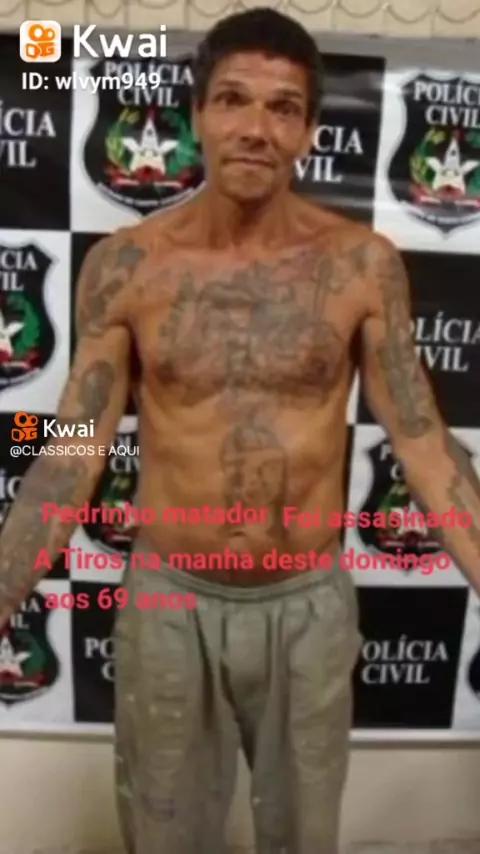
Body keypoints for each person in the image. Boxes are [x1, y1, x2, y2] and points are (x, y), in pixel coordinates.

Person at [1, 7, 480, 853]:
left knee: (302, 836)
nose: (256, 128)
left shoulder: (360, 264)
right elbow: (74, 451)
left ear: (310, 131)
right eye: (232, 99)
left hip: (306, 605)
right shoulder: (128, 266)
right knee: (166, 836)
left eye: (283, 107)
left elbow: (420, 439)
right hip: (169, 601)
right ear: (195, 117)